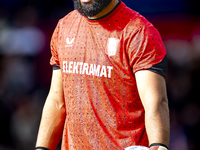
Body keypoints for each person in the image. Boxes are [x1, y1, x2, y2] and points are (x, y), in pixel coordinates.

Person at [35, 0, 170, 150]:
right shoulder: (64, 26)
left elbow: (155, 102)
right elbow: (56, 100)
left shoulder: (139, 31)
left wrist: (158, 146)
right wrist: (42, 148)